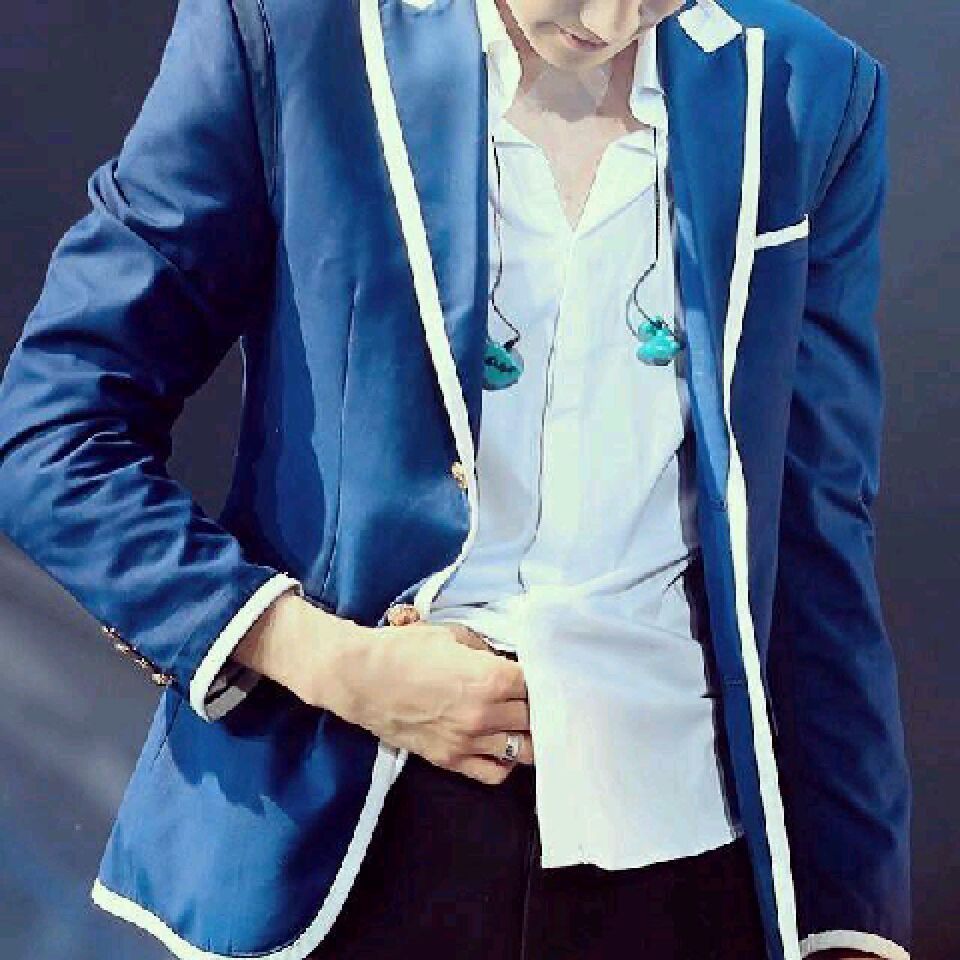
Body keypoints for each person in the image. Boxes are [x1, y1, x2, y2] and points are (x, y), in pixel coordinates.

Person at [0, 0, 910, 958]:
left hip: (685, 859)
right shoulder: (293, 31)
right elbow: (54, 427)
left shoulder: (810, 88)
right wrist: (333, 663)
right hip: (340, 848)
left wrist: (852, 924)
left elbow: (816, 528)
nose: (610, 19)